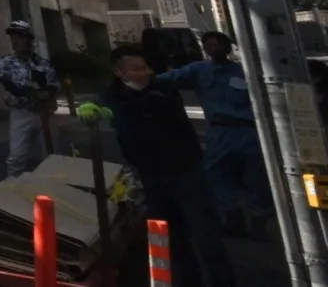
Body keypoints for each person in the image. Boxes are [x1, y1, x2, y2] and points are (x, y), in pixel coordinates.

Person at [88, 44, 234, 287]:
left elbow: (148, 109)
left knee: (207, 237)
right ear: (119, 72)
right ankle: (191, 282)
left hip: (187, 172)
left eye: (145, 68)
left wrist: (118, 109)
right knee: (174, 239)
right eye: (135, 69)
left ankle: (224, 283)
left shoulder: (163, 90)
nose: (143, 73)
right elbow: (106, 105)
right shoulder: (112, 95)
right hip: (151, 177)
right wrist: (94, 110)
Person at [159, 30, 273, 235]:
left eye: (217, 44)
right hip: (219, 131)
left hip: (248, 130)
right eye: (208, 45)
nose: (213, 49)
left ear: (227, 48)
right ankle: (232, 216)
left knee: (256, 176)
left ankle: (259, 220)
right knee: (216, 173)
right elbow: (166, 79)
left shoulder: (243, 72)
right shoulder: (199, 70)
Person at [0, 19, 59, 176]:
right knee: (16, 157)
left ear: (29, 39)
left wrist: (46, 93)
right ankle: (13, 188)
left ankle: (52, 187)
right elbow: (10, 84)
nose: (15, 42)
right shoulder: (6, 62)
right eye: (13, 38)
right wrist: (31, 88)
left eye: (19, 37)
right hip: (21, 113)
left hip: (44, 113)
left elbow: (52, 85)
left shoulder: (43, 64)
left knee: (52, 155)